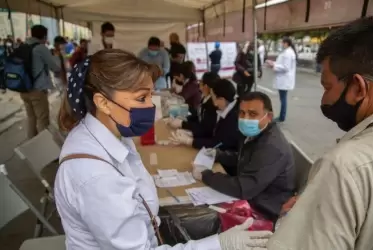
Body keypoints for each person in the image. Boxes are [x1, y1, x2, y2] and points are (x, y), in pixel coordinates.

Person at [55, 48, 271, 250]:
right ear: (103, 102)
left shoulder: (112, 134)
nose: (151, 106)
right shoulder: (95, 177)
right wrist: (219, 244)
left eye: (150, 95)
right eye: (141, 98)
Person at [268, 17, 373, 250]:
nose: (324, 100)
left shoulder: (345, 166)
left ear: (359, 88)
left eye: (327, 87)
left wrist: (291, 222)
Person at [193, 92, 295, 221]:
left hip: (264, 209)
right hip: (253, 196)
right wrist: (218, 155)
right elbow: (245, 158)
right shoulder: (255, 133)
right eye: (242, 113)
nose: (245, 119)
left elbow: (244, 188)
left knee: (200, 216)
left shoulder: (271, 146)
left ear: (268, 117)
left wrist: (206, 175)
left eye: (252, 114)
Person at [170, 78, 239, 151]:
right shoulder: (226, 109)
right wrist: (192, 134)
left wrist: (190, 141)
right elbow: (211, 133)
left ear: (222, 99)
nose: (214, 103)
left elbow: (218, 143)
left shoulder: (232, 118)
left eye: (213, 98)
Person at [21, 25, 61, 138]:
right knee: (43, 120)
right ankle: (44, 151)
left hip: (23, 89)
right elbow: (55, 67)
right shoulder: (41, 48)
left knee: (31, 119)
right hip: (37, 90)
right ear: (44, 36)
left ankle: (31, 146)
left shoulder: (23, 45)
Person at [166, 72, 219, 138]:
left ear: (205, 86)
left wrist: (183, 124)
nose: (199, 83)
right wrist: (185, 119)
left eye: (201, 82)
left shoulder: (212, 104)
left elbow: (204, 128)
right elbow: (198, 116)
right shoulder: (205, 97)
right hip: (197, 129)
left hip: (203, 138)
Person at [265, 37, 297, 123]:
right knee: (283, 98)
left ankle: (282, 117)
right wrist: (273, 63)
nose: (281, 44)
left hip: (284, 79)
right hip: (284, 79)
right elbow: (281, 64)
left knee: (283, 99)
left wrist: (273, 66)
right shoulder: (287, 52)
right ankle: (282, 116)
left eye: (282, 43)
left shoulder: (288, 53)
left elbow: (285, 67)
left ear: (286, 43)